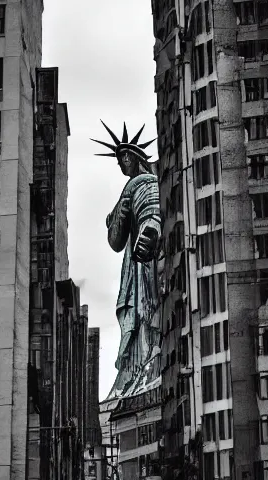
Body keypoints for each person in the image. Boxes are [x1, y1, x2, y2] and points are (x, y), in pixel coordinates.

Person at [92, 122, 162, 396]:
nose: (122, 163)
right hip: (135, 265)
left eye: (125, 158)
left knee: (145, 315)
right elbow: (115, 240)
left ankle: (144, 368)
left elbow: (150, 211)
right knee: (142, 317)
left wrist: (148, 230)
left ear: (135, 158)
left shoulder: (142, 183)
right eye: (120, 159)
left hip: (143, 264)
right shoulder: (133, 186)